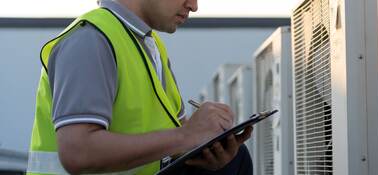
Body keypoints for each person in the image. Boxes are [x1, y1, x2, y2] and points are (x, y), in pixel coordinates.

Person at [27, 0, 253, 174]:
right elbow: (77, 152)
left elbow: (176, 141)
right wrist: (187, 135)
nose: (194, 5)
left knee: (236, 159)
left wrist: (206, 151)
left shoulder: (150, 46)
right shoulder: (91, 40)